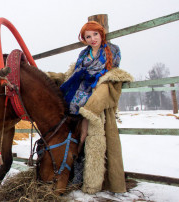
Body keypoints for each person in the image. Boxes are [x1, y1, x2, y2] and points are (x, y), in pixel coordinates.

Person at [47, 21, 133, 194]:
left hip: (93, 98)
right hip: (75, 99)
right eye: (88, 36)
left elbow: (108, 73)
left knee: (87, 135)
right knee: (75, 135)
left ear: (101, 34)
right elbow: (74, 74)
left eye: (95, 34)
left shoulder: (112, 50)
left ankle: (86, 178)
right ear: (84, 39)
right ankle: (72, 173)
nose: (92, 39)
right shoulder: (83, 54)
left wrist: (93, 90)